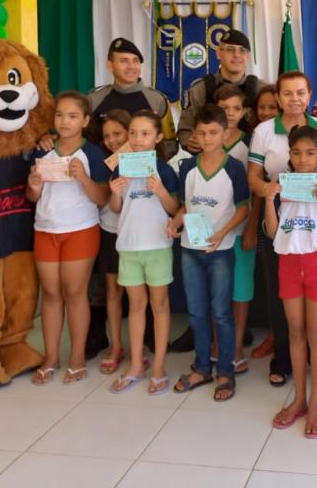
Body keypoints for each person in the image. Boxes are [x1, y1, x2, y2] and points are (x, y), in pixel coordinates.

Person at [248, 71, 317, 386]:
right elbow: (253, 176)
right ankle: (284, 359)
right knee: (282, 297)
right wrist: (270, 192)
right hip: (279, 217)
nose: (294, 99)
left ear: (310, 94)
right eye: (287, 93)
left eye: (300, 92)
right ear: (278, 97)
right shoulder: (263, 131)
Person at [86, 37, 177, 357]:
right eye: (123, 60)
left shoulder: (156, 98)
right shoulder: (95, 99)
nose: (130, 66)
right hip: (109, 187)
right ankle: (100, 338)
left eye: (135, 61)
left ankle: (151, 340)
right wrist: (114, 170)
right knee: (105, 277)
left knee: (150, 293)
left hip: (147, 194)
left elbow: (171, 143)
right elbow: (88, 140)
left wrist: (149, 168)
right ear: (109, 64)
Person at [265, 126, 317, 438]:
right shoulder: (281, 184)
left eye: (310, 153)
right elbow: (272, 232)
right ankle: (299, 399)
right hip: (288, 262)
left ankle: (315, 404)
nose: (302, 159)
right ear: (289, 154)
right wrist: (269, 200)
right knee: (295, 331)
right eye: (297, 153)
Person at [27, 91, 111, 385]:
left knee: (75, 293)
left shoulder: (94, 154)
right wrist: (33, 186)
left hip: (80, 230)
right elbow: (32, 196)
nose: (65, 121)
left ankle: (76, 358)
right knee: (51, 294)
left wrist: (83, 177)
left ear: (85, 121)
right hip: (45, 229)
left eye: (73, 116)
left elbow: (102, 198)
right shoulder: (42, 150)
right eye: (60, 115)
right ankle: (51, 357)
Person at [168, 105, 250, 402]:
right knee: (196, 311)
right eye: (201, 133)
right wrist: (174, 223)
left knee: (221, 313)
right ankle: (201, 367)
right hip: (191, 249)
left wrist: (223, 232)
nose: (207, 138)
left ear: (225, 133)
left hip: (220, 249)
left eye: (213, 132)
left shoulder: (234, 168)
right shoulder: (188, 167)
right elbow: (185, 205)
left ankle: (225, 370)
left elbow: (243, 208)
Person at [108, 110, 180, 395]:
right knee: (136, 306)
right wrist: (115, 192)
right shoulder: (120, 168)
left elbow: (174, 210)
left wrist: (160, 191)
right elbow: (116, 208)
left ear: (158, 137)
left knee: (159, 305)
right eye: (133, 133)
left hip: (157, 246)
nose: (138, 139)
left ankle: (159, 366)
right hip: (128, 245)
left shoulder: (165, 170)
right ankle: (136, 364)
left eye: (145, 133)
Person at [214, 83, 254, 373]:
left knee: (240, 291)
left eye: (235, 108)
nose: (230, 113)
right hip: (213, 230)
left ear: (244, 112)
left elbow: (254, 191)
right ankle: (219, 343)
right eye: (224, 108)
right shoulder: (207, 140)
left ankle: (237, 346)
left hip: (241, 229)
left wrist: (251, 228)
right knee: (217, 291)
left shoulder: (250, 143)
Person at [177, 29, 259, 152]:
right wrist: (190, 141)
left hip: (252, 156)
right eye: (230, 49)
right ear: (218, 53)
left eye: (242, 50)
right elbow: (185, 129)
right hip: (209, 157)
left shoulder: (260, 89)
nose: (237, 55)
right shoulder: (201, 89)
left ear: (247, 55)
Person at [95, 110, 131, 376]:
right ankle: (116, 345)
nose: (112, 140)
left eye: (117, 134)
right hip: (110, 229)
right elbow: (100, 199)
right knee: (112, 291)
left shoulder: (147, 158)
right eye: (107, 136)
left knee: (140, 295)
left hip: (138, 233)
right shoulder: (103, 162)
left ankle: (140, 347)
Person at [247, 85, 280, 360]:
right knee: (267, 279)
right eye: (262, 107)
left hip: (279, 214)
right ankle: (273, 333)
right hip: (259, 214)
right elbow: (255, 182)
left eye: (272, 107)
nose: (267, 112)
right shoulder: (256, 135)